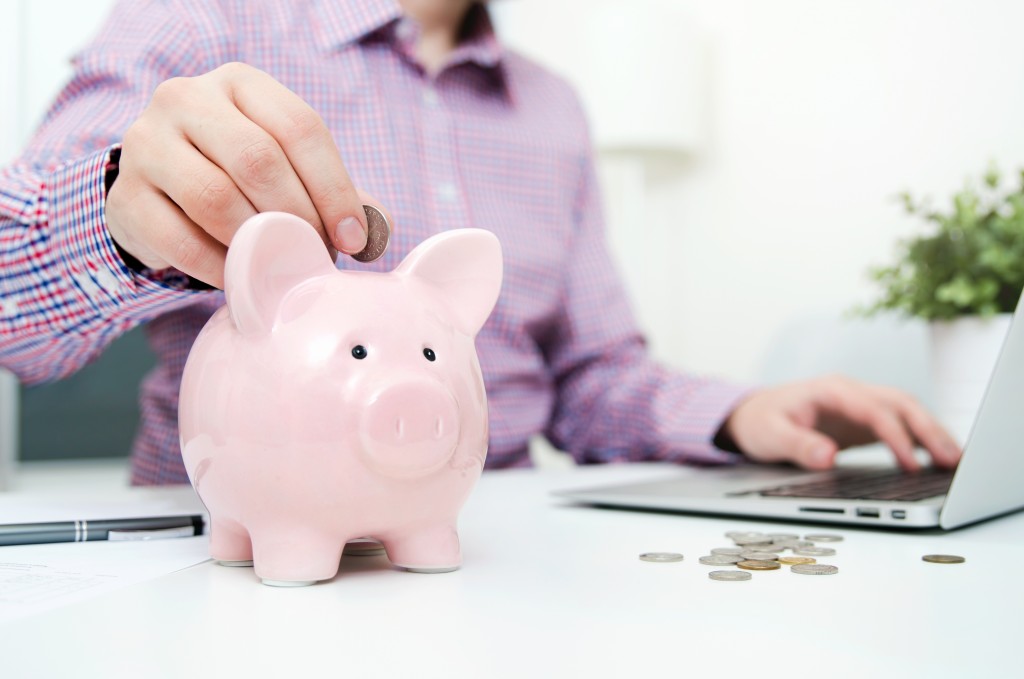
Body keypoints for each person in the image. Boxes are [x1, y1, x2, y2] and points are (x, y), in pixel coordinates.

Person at [0, 0, 960, 485]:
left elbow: (591, 379)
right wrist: (118, 206)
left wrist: (742, 411)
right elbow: (14, 324)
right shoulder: (198, 21)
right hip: (228, 548)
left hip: (487, 543)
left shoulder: (553, 106)